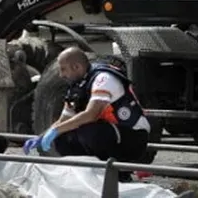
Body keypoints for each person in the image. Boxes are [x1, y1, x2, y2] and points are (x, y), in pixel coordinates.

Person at [24, 48, 150, 179]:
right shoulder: (77, 85)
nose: (61, 75)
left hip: (132, 137)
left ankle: (119, 176)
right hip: (110, 134)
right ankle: (87, 177)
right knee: (62, 136)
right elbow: (63, 120)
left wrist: (55, 130)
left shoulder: (103, 78)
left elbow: (92, 114)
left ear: (76, 67)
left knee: (90, 131)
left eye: (63, 69)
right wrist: (42, 137)